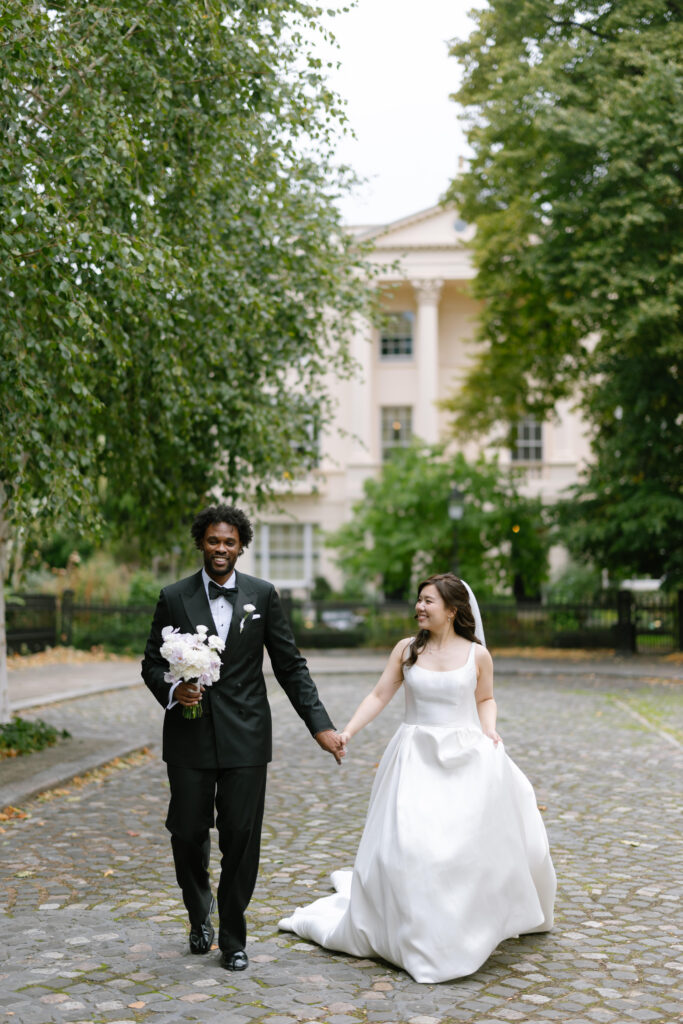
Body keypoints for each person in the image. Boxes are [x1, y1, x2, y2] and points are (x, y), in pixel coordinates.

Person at [279, 573, 556, 983]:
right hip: (415, 757)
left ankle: (459, 927)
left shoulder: (477, 655)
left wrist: (490, 730)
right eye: (419, 600)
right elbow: (379, 695)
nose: (420, 607)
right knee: (408, 844)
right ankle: (412, 930)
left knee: (459, 850)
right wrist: (347, 732)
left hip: (465, 758)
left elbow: (486, 698)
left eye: (429, 601)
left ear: (453, 609)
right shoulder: (407, 651)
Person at [142, 504, 344, 972]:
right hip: (189, 737)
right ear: (201, 542)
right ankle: (199, 913)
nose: (221, 549)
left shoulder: (263, 595)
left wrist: (322, 727)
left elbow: (291, 666)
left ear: (241, 546)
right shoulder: (174, 596)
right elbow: (151, 662)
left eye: (229, 542)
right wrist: (175, 689)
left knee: (240, 835)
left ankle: (233, 936)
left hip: (247, 737)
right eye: (213, 540)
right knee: (188, 832)